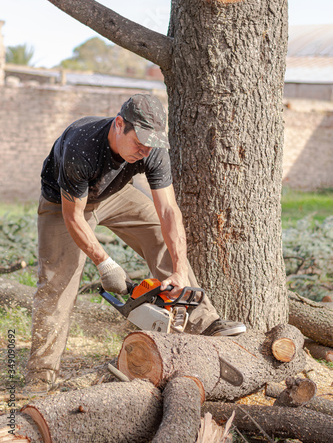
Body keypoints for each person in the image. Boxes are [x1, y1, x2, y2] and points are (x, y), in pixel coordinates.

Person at [25, 93, 245, 393]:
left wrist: (179, 270)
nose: (143, 152)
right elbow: (74, 216)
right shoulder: (81, 146)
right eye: (138, 144)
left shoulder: (153, 150)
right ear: (119, 125)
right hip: (64, 203)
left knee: (159, 234)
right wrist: (104, 262)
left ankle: (204, 320)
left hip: (114, 195)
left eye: (149, 146)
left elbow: (168, 211)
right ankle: (41, 375)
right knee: (57, 284)